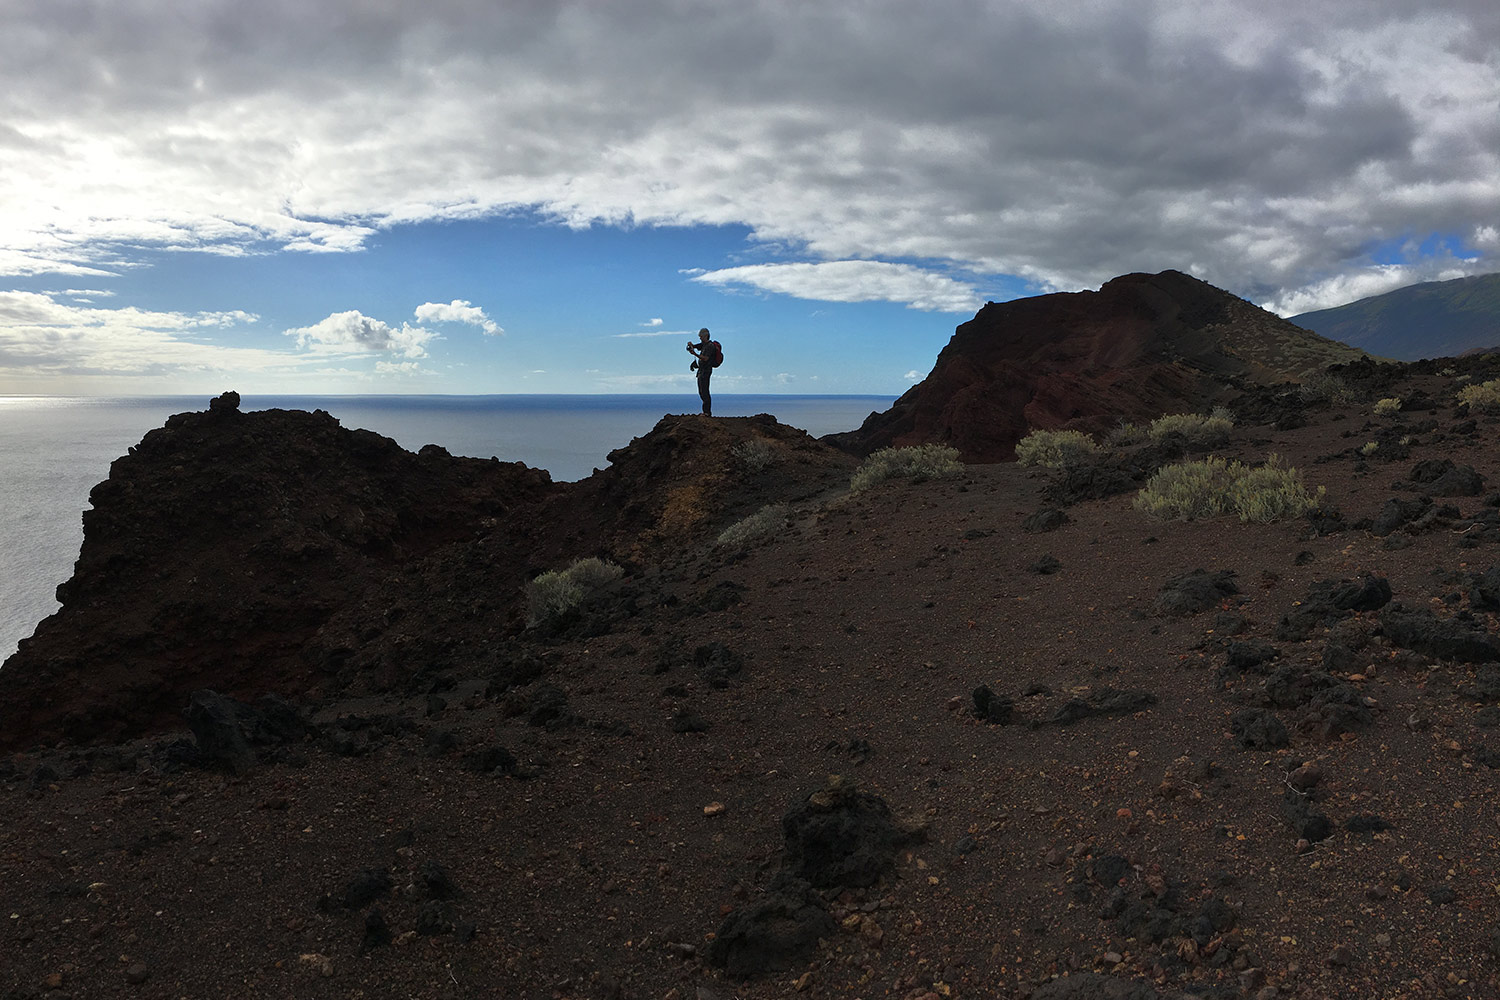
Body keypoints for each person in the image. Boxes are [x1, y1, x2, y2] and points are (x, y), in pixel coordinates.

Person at [686, 327, 720, 416]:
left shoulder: (710, 346)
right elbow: (697, 346)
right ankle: (705, 412)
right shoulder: (704, 345)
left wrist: (695, 354)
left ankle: (707, 412)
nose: (700, 338)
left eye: (701, 336)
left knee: (704, 391)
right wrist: (692, 345)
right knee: (701, 391)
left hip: (706, 371)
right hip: (701, 371)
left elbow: (706, 358)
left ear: (705, 336)